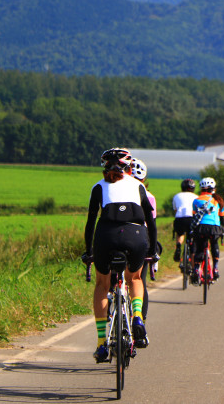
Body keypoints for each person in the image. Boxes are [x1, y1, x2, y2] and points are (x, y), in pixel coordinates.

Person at [82, 147, 157, 363]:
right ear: (128, 166)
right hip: (136, 235)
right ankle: (136, 317)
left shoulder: (98, 187)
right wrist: (151, 251)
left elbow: (90, 224)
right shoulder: (138, 186)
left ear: (104, 166)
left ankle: (101, 343)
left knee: (102, 286)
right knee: (134, 278)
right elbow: (150, 222)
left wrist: (89, 252)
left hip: (106, 236)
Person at [130, 157, 159, 329]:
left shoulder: (117, 190)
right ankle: (141, 320)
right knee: (140, 280)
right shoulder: (149, 196)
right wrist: (153, 250)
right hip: (142, 240)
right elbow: (152, 224)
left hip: (116, 237)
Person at [191, 177, 224, 283]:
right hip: (214, 227)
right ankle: (215, 267)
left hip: (201, 228)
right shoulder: (219, 200)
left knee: (200, 247)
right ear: (214, 188)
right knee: (214, 243)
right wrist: (223, 230)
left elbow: (194, 216)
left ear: (201, 189)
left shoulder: (196, 200)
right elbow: (222, 217)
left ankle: (196, 269)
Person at [172, 178, 197, 264]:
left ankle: (178, 245)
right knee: (192, 239)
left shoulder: (176, 196)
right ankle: (192, 254)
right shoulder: (196, 197)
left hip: (179, 218)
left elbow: (175, 210)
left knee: (180, 234)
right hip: (191, 218)